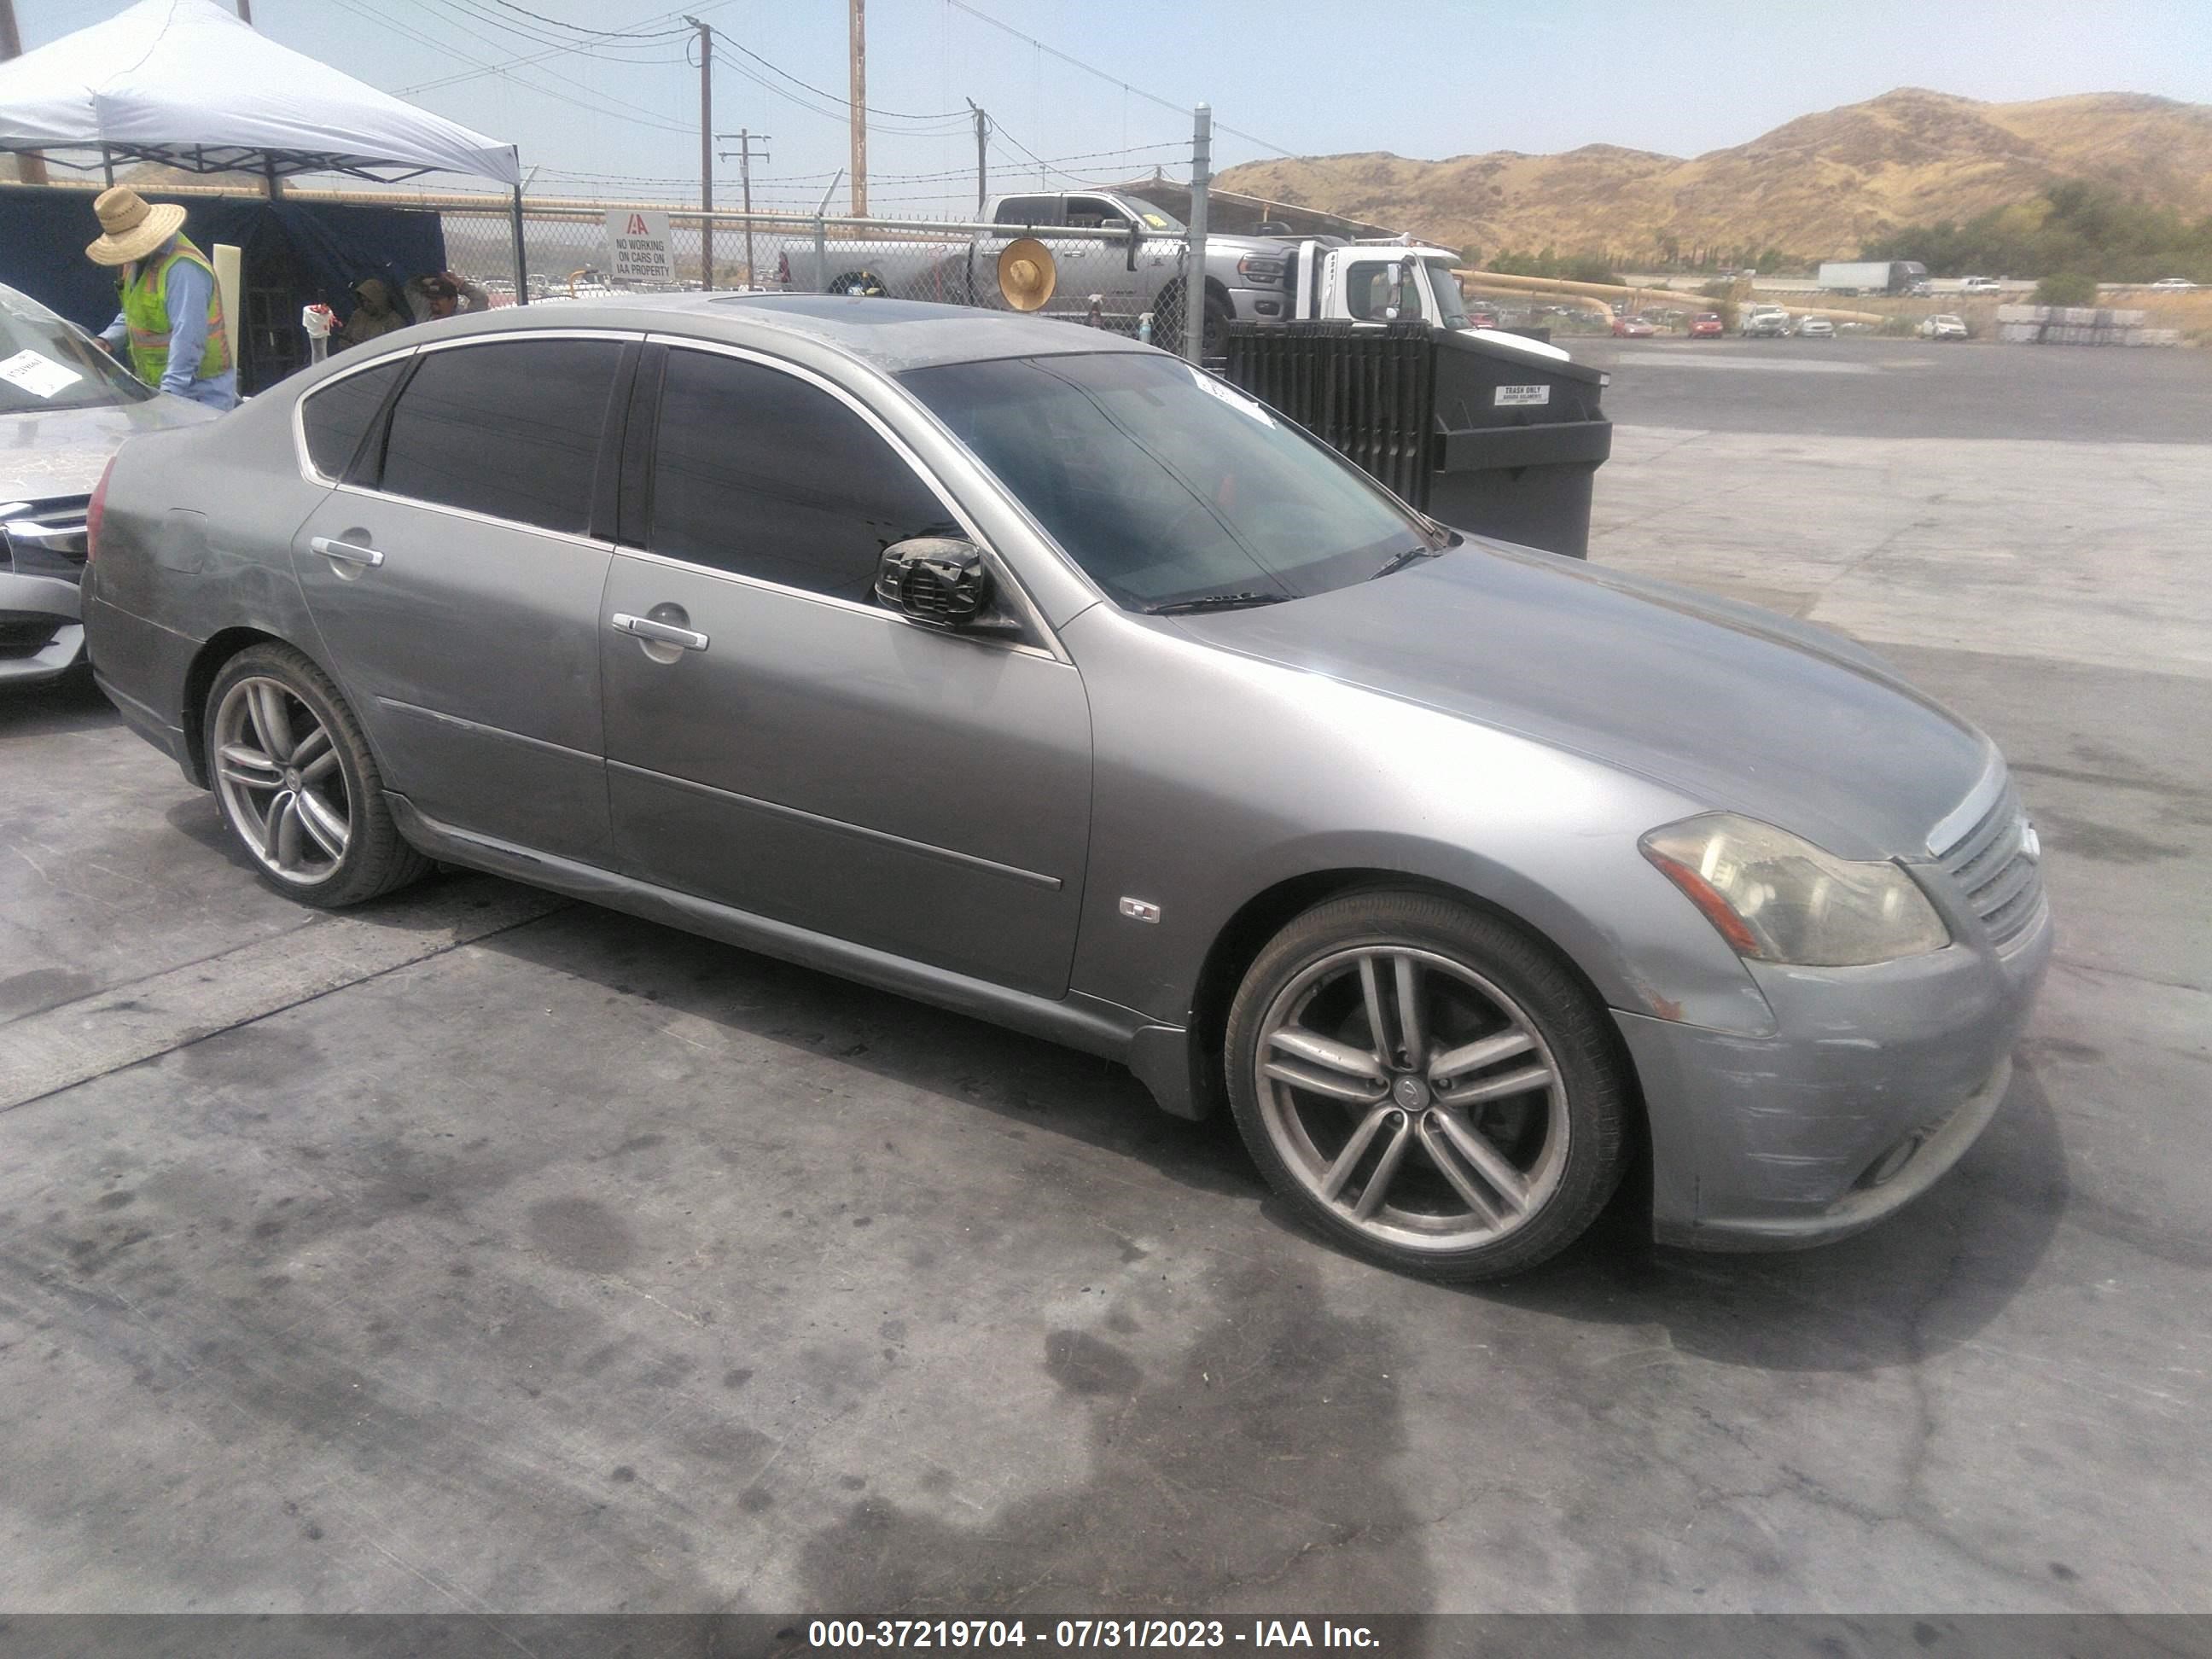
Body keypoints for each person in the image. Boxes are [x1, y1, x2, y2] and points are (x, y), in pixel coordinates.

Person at [85, 187, 237, 411]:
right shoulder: (136, 263)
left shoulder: (183, 269)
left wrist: (169, 397)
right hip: (162, 391)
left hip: (198, 396)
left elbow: (188, 338)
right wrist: (106, 340)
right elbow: (134, 313)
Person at [335, 276, 411, 349]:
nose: (366, 304)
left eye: (370, 301)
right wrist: (345, 344)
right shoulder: (358, 315)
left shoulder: (394, 321)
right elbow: (344, 338)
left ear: (380, 300)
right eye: (363, 301)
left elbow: (396, 347)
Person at [405, 270, 490, 323]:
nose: (434, 302)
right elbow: (409, 287)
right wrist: (426, 280)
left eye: (438, 298)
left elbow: (481, 299)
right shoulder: (425, 313)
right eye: (431, 298)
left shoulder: (462, 319)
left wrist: (461, 285)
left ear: (452, 301)